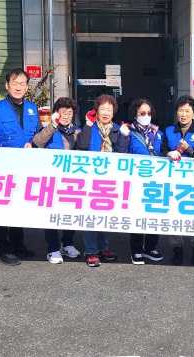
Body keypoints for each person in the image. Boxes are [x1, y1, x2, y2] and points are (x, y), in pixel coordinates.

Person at [0, 68, 38, 266]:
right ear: (7, 85)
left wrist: (34, 145)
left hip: (26, 166)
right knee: (4, 207)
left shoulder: (32, 108)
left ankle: (19, 244)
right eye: (14, 83)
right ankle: (4, 249)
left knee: (20, 206)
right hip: (4, 166)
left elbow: (38, 135)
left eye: (22, 84)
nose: (18, 87)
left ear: (27, 87)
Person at [75, 94, 130, 267]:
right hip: (91, 178)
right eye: (102, 109)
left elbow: (122, 153)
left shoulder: (118, 129)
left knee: (106, 214)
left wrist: (123, 136)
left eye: (109, 109)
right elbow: (81, 146)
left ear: (114, 112)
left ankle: (103, 247)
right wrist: (87, 125)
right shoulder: (90, 127)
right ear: (96, 111)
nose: (105, 112)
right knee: (90, 215)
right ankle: (90, 251)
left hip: (110, 178)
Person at [160, 95, 194, 265]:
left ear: (193, 112)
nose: (183, 114)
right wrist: (168, 153)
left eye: (187, 111)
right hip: (173, 179)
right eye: (180, 110)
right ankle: (176, 247)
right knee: (173, 211)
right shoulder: (168, 130)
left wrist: (189, 149)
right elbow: (161, 151)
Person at [32, 97, 82, 264]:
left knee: (70, 214)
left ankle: (67, 244)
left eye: (69, 113)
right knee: (52, 215)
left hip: (72, 181)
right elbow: (37, 142)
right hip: (52, 180)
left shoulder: (77, 132)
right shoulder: (49, 129)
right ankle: (52, 249)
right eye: (62, 112)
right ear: (56, 113)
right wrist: (52, 126)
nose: (66, 116)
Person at [126, 98, 164, 265]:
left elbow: (163, 152)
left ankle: (150, 247)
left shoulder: (158, 133)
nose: (146, 116)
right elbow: (121, 153)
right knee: (138, 215)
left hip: (156, 180)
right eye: (142, 113)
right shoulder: (128, 132)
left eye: (148, 113)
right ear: (135, 115)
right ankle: (136, 250)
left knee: (154, 214)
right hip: (136, 180)